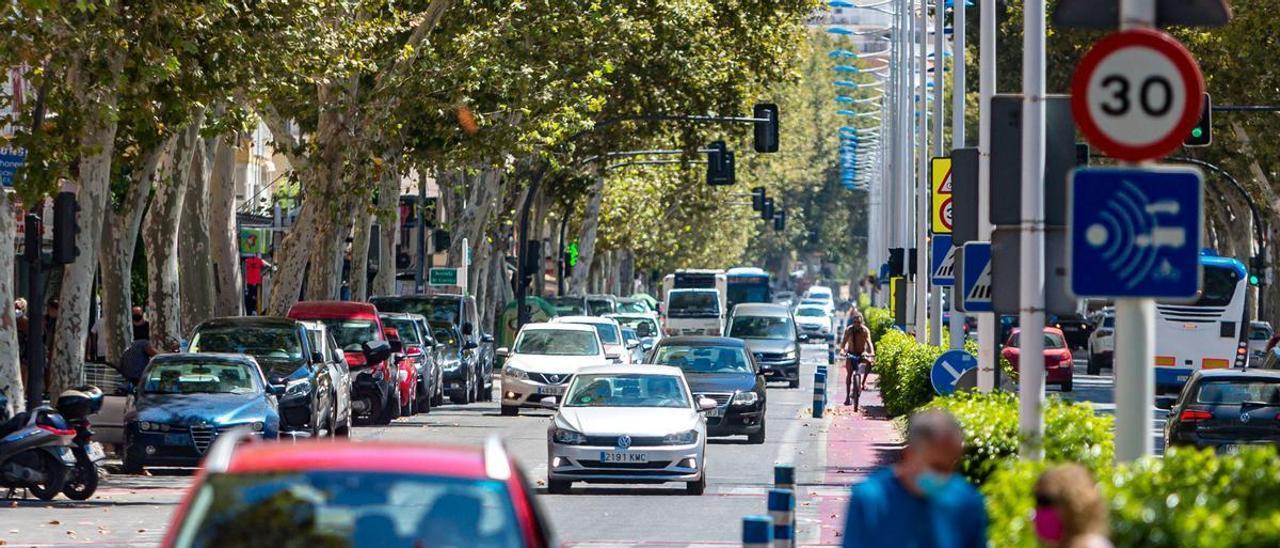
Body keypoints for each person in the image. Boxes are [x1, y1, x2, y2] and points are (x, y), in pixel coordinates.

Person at [841, 409, 987, 548]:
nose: (943, 476)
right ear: (909, 453)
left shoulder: (967, 502)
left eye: (950, 467)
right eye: (936, 466)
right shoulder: (870, 499)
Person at [1032, 464, 1112, 548]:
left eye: (1045, 501)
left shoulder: (1090, 545)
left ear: (1074, 503)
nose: (1038, 509)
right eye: (1037, 501)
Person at [839, 312, 874, 406]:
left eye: (858, 322)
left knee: (869, 362)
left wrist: (871, 353)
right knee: (849, 374)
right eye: (855, 322)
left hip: (861, 353)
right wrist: (842, 351)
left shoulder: (865, 330)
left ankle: (863, 383)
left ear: (861, 322)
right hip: (851, 354)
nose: (856, 324)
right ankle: (847, 397)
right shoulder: (849, 330)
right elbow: (843, 343)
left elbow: (869, 343)